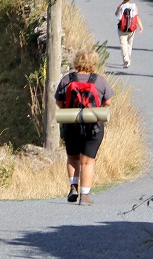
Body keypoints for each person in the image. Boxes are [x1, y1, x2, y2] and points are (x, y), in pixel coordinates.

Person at [55, 49, 113, 206]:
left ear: (76, 62)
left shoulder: (67, 79)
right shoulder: (99, 81)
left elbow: (59, 102)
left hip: (71, 124)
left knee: (73, 157)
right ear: (94, 63)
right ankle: (85, 195)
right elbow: (107, 102)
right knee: (87, 161)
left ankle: (73, 187)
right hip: (93, 126)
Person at [114, 0, 144, 68]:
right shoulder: (133, 6)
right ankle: (129, 60)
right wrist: (141, 26)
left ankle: (126, 60)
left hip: (122, 29)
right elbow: (136, 17)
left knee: (123, 45)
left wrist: (118, 7)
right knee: (129, 44)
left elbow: (117, 16)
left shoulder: (121, 7)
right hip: (132, 29)